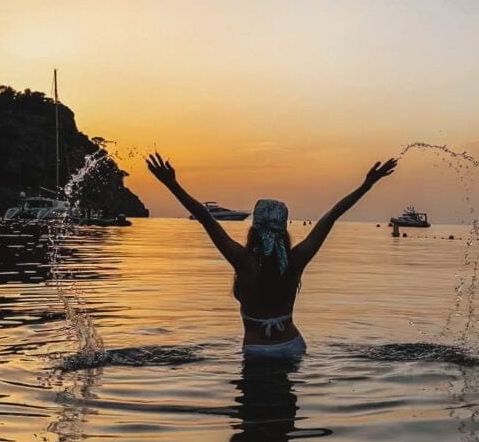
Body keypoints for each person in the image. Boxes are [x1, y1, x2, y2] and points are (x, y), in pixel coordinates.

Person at [145, 152, 397, 358]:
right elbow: (332, 216)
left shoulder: (243, 262)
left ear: (254, 227)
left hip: (257, 350)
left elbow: (204, 217)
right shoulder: (296, 260)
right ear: (285, 227)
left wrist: (171, 184)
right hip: (293, 346)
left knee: (253, 420)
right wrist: (367, 184)